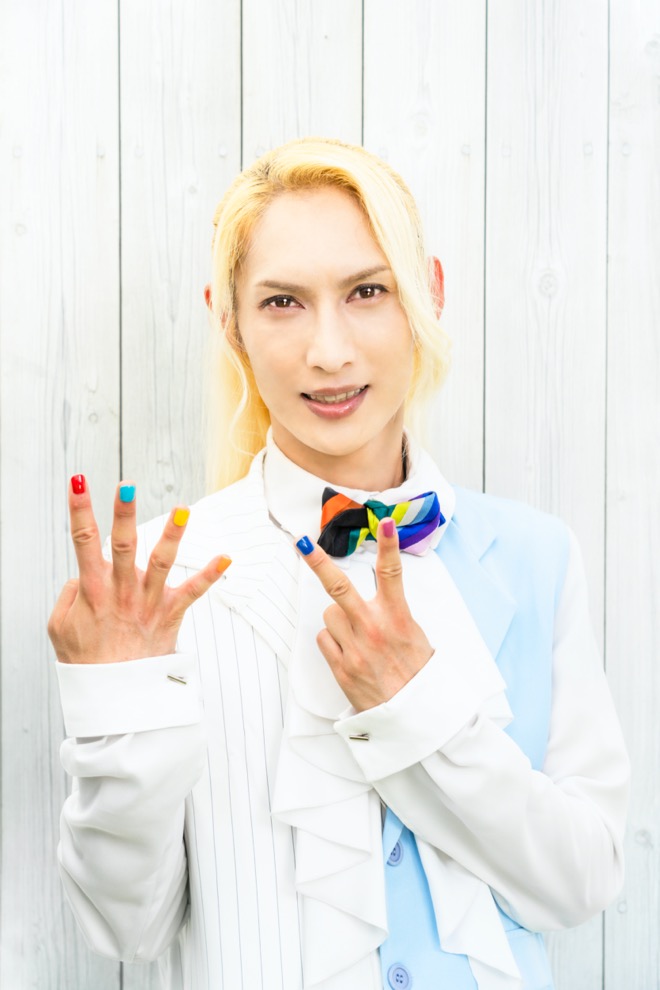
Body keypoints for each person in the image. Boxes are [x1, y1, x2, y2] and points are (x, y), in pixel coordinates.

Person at [49, 138, 629, 990]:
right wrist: (119, 706)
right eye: (282, 302)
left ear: (428, 292)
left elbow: (583, 882)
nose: (329, 351)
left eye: (367, 291)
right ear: (228, 322)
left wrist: (421, 708)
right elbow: (128, 928)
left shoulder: (537, 557)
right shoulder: (163, 593)